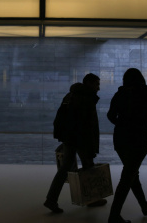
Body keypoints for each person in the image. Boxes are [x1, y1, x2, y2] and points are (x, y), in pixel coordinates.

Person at [107, 68, 147, 223]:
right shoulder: (145, 93)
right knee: (128, 177)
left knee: (131, 174)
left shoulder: (119, 94)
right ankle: (114, 217)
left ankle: (144, 205)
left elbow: (110, 115)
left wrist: (121, 124)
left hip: (120, 140)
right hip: (138, 140)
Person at [44, 73, 105, 213]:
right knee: (89, 166)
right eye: (97, 84)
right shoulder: (86, 98)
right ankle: (92, 199)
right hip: (81, 139)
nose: (98, 88)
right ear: (89, 84)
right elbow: (88, 125)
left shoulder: (71, 95)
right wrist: (91, 147)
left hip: (69, 138)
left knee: (64, 168)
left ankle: (51, 200)